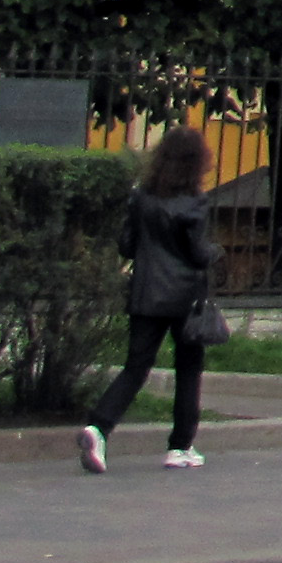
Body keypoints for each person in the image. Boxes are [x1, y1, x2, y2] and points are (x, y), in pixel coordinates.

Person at [80, 125, 220, 472]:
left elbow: (126, 245)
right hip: (185, 298)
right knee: (188, 369)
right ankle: (180, 446)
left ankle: (98, 427)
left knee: (135, 367)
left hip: (145, 293)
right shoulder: (196, 203)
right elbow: (198, 253)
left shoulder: (141, 198)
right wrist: (215, 252)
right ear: (196, 162)